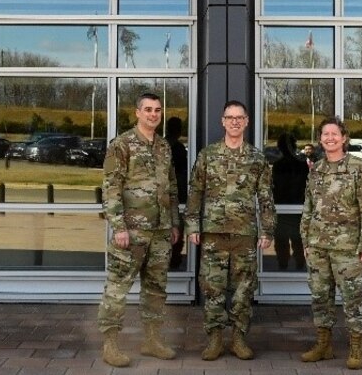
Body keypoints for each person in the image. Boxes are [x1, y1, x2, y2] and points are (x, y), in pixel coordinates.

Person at [186, 100, 276, 361]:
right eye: (230, 117)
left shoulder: (257, 158)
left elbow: (266, 197)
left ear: (246, 122)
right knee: (212, 288)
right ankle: (214, 339)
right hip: (213, 233)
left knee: (244, 289)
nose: (235, 121)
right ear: (222, 121)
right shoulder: (208, 155)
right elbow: (195, 191)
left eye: (240, 117)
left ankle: (238, 338)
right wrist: (192, 224)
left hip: (244, 235)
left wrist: (267, 230)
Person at [97, 92, 181, 368]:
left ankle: (152, 340)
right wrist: (118, 226)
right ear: (137, 113)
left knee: (156, 288)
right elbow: (111, 188)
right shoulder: (122, 145)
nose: (153, 114)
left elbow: (171, 187)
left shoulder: (164, 147)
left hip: (160, 232)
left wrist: (174, 223)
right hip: (131, 233)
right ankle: (110, 345)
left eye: (157, 110)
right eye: (148, 109)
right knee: (118, 288)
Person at [300, 117, 362, 370]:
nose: (330, 138)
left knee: (353, 299)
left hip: (348, 248)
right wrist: (306, 240)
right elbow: (308, 208)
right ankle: (323, 345)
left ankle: (356, 348)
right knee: (320, 297)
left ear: (344, 138)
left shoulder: (357, 168)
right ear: (320, 139)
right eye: (325, 134)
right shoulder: (316, 170)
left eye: (335, 134)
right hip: (318, 246)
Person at [272, 132, 308, 271]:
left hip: (292, 207)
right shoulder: (300, 164)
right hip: (288, 207)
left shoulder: (281, 165)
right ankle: (291, 265)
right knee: (289, 240)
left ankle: (288, 265)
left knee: (291, 240)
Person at [164, 116, 188, 270]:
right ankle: (173, 260)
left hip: (166, 197)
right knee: (176, 233)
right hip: (177, 196)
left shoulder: (160, 145)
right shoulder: (177, 148)